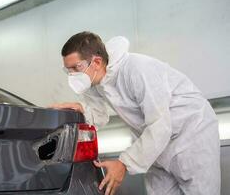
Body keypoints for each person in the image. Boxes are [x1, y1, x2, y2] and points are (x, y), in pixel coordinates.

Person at [50, 31, 220, 195]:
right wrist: (82, 110)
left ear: (96, 62)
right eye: (68, 70)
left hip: (191, 135)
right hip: (155, 145)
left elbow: (160, 124)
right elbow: (100, 116)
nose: (72, 75)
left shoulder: (137, 69)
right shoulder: (93, 82)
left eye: (75, 68)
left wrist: (124, 163)